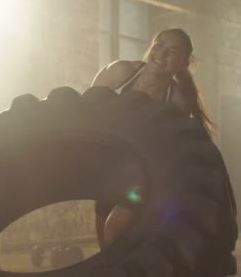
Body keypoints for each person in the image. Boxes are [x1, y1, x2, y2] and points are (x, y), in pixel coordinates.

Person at [91, 28, 213, 249]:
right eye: (159, 45)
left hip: (141, 171)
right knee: (104, 240)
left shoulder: (176, 102)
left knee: (112, 231)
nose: (161, 54)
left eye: (172, 52)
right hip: (107, 164)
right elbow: (86, 110)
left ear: (183, 63)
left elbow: (168, 148)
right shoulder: (119, 72)